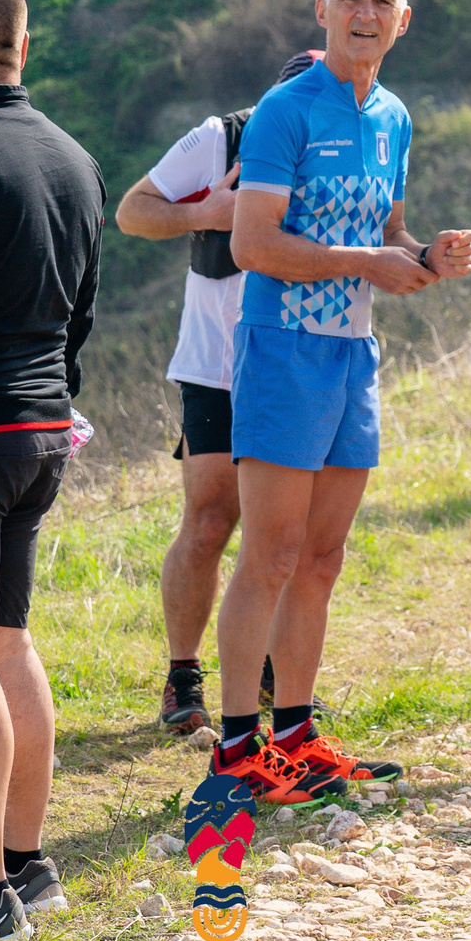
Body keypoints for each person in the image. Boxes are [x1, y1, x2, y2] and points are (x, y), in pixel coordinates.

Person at [212, 0, 471, 807]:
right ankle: (235, 750)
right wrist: (366, 259)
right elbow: (250, 245)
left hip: (353, 354)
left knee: (322, 559)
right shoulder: (284, 112)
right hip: (284, 347)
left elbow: (391, 234)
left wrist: (427, 255)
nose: (365, 13)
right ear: (321, 10)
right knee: (272, 554)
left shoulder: (394, 116)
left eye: (382, 1)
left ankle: (296, 733)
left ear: (403, 21)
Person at [115, 49, 322, 734]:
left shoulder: (343, 146)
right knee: (209, 521)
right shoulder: (218, 137)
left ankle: (275, 671)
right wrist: (210, 210)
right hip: (217, 364)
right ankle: (183, 674)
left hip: (299, 359)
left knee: (289, 531)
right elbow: (134, 211)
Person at [0, 0, 103, 941]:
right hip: (43, 430)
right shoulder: (74, 158)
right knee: (10, 642)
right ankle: (27, 863)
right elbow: (82, 316)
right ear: (24, 46)